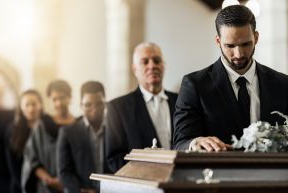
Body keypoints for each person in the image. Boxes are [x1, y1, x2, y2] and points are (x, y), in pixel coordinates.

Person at [173, 5, 288, 152]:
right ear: (217, 41)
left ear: (256, 37)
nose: (239, 54)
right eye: (230, 46)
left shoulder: (283, 85)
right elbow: (181, 142)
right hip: (216, 173)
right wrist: (195, 142)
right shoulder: (195, 85)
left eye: (246, 44)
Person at [106, 42, 178, 172]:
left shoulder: (181, 101)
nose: (152, 66)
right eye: (145, 62)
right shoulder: (118, 108)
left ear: (164, 65)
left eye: (157, 60)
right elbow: (114, 159)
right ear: (134, 69)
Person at [22, 80, 75, 193]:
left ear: (70, 98)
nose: (58, 103)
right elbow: (31, 158)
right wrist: (49, 180)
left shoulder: (78, 126)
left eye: (62, 97)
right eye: (54, 99)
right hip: (46, 187)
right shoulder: (42, 126)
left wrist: (67, 182)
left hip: (73, 187)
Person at [57, 81, 106, 193]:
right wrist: (81, 190)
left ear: (105, 104)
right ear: (81, 105)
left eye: (98, 104)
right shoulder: (68, 132)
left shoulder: (115, 130)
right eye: (88, 105)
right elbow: (63, 172)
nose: (94, 109)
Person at [6, 90, 43, 193]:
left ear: (40, 105)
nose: (31, 109)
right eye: (27, 105)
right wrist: (24, 186)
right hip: (20, 185)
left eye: (34, 104)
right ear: (21, 108)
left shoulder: (47, 127)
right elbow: (12, 164)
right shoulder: (13, 130)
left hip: (44, 185)